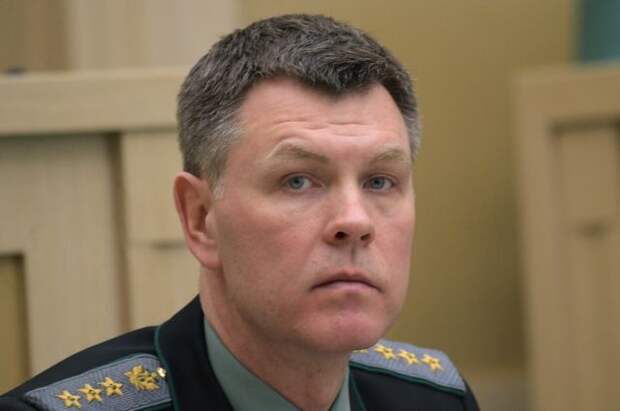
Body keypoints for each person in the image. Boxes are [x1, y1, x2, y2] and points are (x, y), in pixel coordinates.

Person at [0, 14, 479, 411]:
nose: (355, 221)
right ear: (200, 218)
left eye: (379, 181)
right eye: (298, 181)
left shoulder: (434, 399)